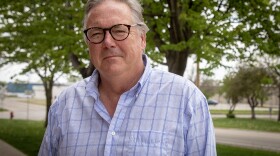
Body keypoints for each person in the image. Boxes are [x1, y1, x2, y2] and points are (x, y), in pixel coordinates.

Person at [38, 0, 216, 155]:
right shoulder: (64, 106)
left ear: (142, 39)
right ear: (88, 43)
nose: (108, 42)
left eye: (119, 30)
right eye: (96, 33)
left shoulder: (187, 100)